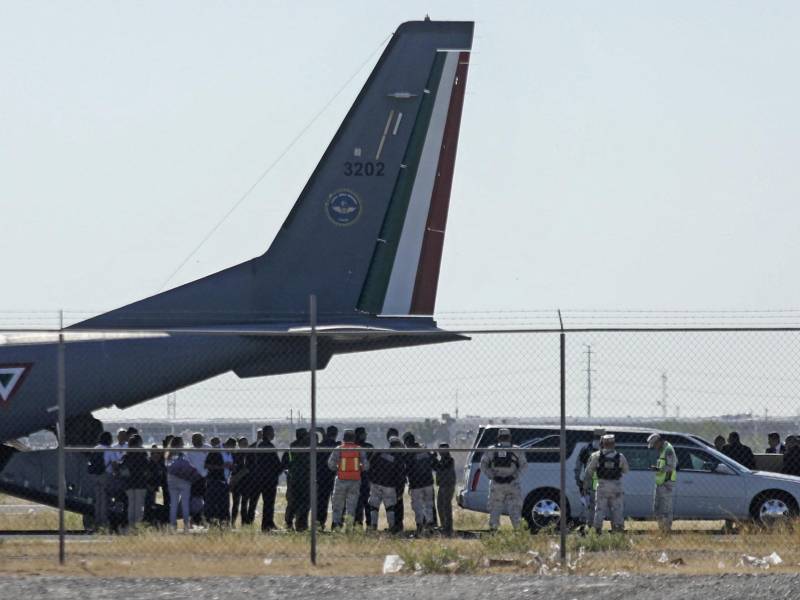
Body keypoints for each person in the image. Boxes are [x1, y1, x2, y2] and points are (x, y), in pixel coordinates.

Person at [480, 428, 527, 531]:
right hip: (512, 484)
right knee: (515, 509)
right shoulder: (517, 450)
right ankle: (519, 532)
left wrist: (493, 476)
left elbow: (483, 465)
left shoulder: (491, 450)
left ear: (498, 438)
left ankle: (493, 531)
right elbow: (524, 466)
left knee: (495, 509)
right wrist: (513, 476)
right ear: (509, 437)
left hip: (497, 484)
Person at [583, 434, 629, 534]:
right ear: (614, 444)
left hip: (602, 485)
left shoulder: (597, 456)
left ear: (602, 444)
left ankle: (598, 530)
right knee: (617, 509)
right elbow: (626, 470)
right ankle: (618, 529)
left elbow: (589, 471)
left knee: (599, 509)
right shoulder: (620, 456)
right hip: (616, 486)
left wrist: (586, 484)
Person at [328, 429, 369, 529]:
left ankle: (336, 524)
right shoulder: (359, 449)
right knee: (352, 505)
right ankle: (349, 525)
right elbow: (366, 466)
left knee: (338, 504)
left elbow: (331, 464)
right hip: (355, 481)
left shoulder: (339, 449)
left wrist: (339, 468)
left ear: (343, 438)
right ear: (354, 439)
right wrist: (359, 468)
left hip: (341, 479)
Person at [367, 436, 406, 532]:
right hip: (389, 485)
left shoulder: (380, 452)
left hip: (376, 483)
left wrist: (370, 479)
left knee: (374, 506)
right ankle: (392, 527)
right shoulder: (398, 457)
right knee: (390, 507)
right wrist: (400, 490)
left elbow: (370, 465)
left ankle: (373, 526)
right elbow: (400, 475)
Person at [403, 432, 436, 536]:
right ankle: (430, 527)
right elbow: (432, 460)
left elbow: (407, 469)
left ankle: (420, 528)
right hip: (428, 482)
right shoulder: (424, 449)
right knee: (428, 505)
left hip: (416, 484)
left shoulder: (409, 453)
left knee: (417, 506)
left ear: (407, 442)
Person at [166, 436, 200, 531]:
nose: (183, 445)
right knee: (185, 504)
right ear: (179, 444)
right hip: (184, 480)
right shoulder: (182, 455)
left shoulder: (169, 455)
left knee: (173, 503)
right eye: (182, 443)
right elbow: (188, 466)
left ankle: (173, 525)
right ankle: (185, 525)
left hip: (172, 480)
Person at [574, 428, 605, 532]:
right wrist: (578, 479)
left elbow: (578, 466)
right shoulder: (605, 449)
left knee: (590, 506)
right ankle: (590, 527)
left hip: (594, 482)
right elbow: (578, 465)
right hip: (595, 483)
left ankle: (589, 527)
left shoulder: (587, 449)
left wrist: (577, 478)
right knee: (592, 506)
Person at [252, 425, 282, 531]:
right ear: (268, 433)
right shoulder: (269, 446)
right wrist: (283, 466)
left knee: (266, 503)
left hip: (261, 478)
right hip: (269, 479)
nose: (274, 434)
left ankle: (268, 523)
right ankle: (267, 524)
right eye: (272, 432)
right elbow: (276, 463)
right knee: (269, 502)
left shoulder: (260, 445)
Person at [647, 433, 677, 534]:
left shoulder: (668, 450)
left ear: (658, 441)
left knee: (665, 509)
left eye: (654, 445)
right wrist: (657, 469)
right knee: (656, 508)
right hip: (660, 483)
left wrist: (659, 469)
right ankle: (662, 529)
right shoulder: (662, 450)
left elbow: (671, 466)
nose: (654, 448)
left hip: (666, 483)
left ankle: (666, 530)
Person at [283, 428, 311, 531]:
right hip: (305, 480)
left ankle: (289, 523)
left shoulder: (291, 448)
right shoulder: (307, 448)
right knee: (305, 503)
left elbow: (285, 464)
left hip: (293, 479)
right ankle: (301, 525)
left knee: (292, 503)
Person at [120, 434, 149, 530]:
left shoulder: (126, 455)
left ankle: (131, 525)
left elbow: (122, 468)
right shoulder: (142, 454)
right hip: (140, 483)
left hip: (129, 483)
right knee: (139, 505)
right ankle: (138, 525)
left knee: (131, 505)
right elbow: (147, 467)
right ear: (139, 443)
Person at [204, 437, 230, 527]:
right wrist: (221, 467)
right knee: (213, 504)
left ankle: (224, 524)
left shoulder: (230, 453)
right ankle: (213, 524)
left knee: (224, 505)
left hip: (225, 482)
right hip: (214, 481)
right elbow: (206, 465)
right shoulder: (215, 451)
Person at [90, 431, 114, 529]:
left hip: (95, 475)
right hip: (105, 475)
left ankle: (97, 520)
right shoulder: (109, 450)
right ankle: (103, 521)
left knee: (98, 499)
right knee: (104, 499)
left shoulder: (96, 448)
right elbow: (114, 462)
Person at [317, 425, 339, 529]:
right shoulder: (337, 446)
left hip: (321, 477)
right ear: (336, 434)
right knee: (336, 502)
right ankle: (335, 524)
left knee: (321, 502)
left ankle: (320, 523)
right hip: (335, 476)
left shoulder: (320, 446)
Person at [433, 443, 456, 536]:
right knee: (440, 505)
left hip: (448, 485)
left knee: (446, 506)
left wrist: (434, 459)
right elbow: (436, 468)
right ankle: (443, 525)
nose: (440, 452)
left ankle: (448, 527)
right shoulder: (441, 460)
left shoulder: (450, 460)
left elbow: (442, 467)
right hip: (442, 485)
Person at [353, 426, 374, 528]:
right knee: (366, 502)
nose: (365, 436)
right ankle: (369, 524)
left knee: (358, 503)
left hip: (355, 478)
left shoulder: (352, 447)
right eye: (364, 434)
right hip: (365, 477)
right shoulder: (368, 447)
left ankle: (358, 524)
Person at [386, 427, 405, 532]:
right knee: (397, 502)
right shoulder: (401, 450)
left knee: (395, 503)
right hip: (397, 480)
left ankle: (395, 525)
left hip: (394, 481)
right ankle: (397, 524)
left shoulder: (395, 450)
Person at [230, 436, 250, 527]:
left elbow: (249, 468)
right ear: (239, 445)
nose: (245, 445)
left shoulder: (250, 455)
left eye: (246, 443)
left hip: (246, 482)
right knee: (235, 503)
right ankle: (232, 522)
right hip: (237, 482)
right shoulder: (235, 454)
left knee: (244, 504)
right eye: (243, 443)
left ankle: (244, 523)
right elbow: (233, 467)